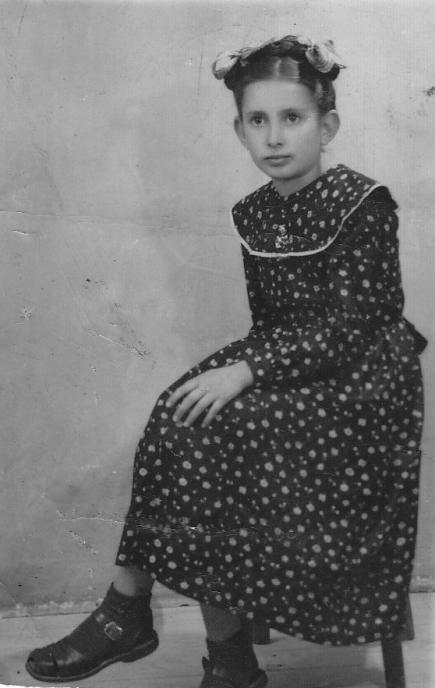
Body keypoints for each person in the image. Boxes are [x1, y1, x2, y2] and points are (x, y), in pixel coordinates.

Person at [26, 34, 426, 688]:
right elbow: (269, 322)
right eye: (257, 121)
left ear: (326, 126)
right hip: (282, 360)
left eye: (291, 118)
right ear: (239, 131)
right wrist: (242, 371)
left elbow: (352, 328)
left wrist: (245, 373)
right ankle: (152, 619)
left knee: (220, 435)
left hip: (361, 381)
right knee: (179, 414)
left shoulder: (362, 202)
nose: (274, 136)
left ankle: (179, 637)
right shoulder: (252, 212)